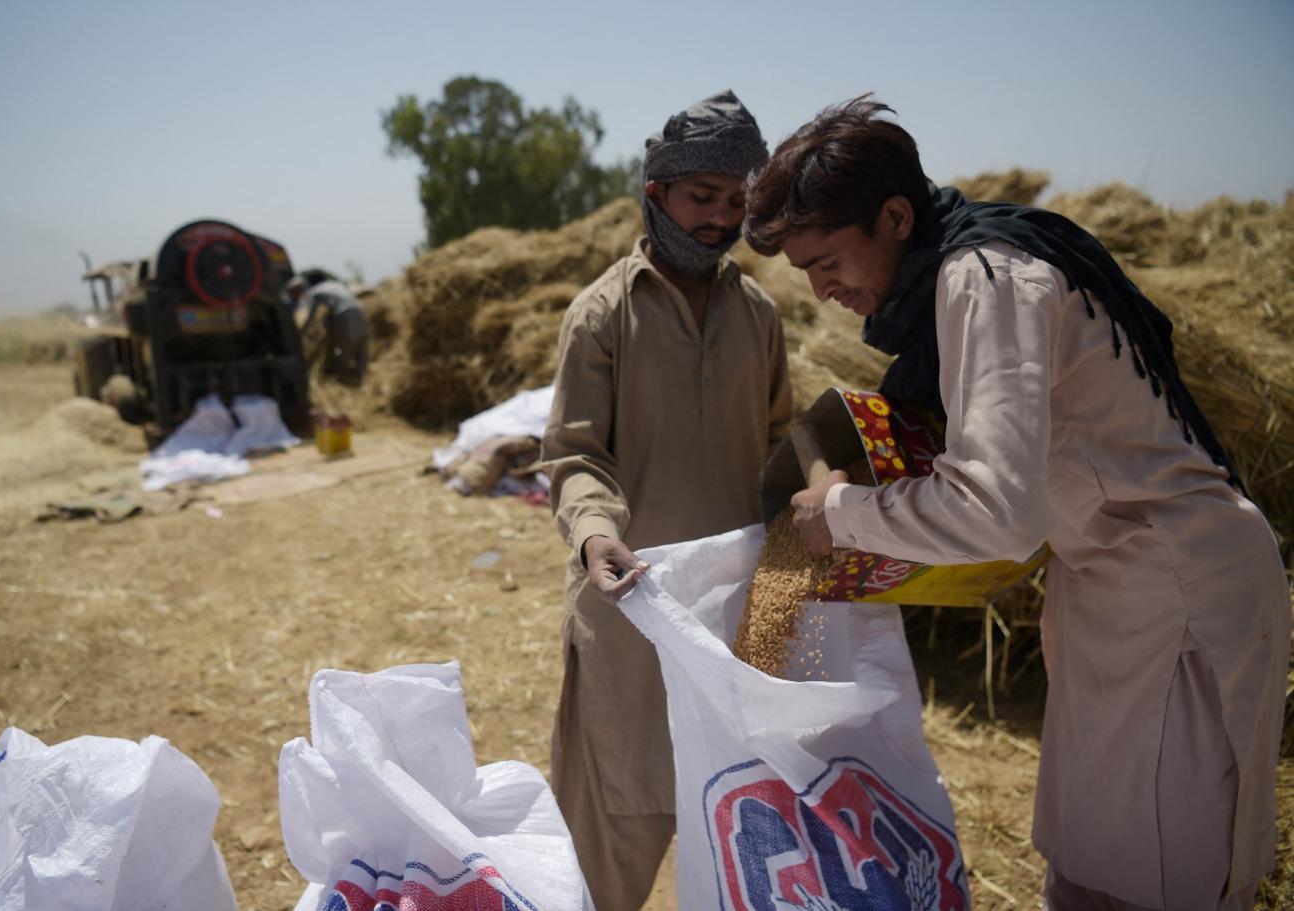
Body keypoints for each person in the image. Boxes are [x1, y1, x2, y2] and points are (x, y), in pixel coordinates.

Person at [744, 95, 1288, 910]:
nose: (823, 291)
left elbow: (996, 506)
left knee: (1161, 871)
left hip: (1173, 584)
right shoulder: (963, 269)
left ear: (895, 216)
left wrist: (844, 511)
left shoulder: (986, 279)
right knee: (1088, 859)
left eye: (828, 262)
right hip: (1112, 577)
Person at [540, 89, 792, 908]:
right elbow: (575, 454)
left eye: (734, 201)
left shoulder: (758, 313)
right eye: (701, 197)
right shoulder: (603, 314)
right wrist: (592, 534)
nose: (719, 218)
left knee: (742, 828)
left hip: (735, 618)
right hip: (632, 611)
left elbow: (782, 442)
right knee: (613, 834)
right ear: (656, 193)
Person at [286, 272, 370, 385]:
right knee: (361, 351)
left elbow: (311, 316)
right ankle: (361, 382)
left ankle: (342, 384)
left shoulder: (314, 292)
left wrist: (301, 332)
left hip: (343, 316)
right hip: (360, 312)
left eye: (294, 292)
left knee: (341, 354)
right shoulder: (334, 285)